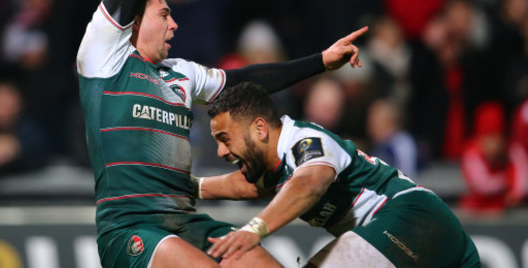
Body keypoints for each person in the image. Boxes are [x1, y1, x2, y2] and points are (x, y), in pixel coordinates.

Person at [76, 0, 368, 268]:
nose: (174, 24)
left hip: (184, 219)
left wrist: (320, 61)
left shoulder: (179, 74)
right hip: (132, 227)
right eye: (164, 14)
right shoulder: (104, 56)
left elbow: (246, 79)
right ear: (132, 20)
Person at [202, 82, 480, 268]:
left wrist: (254, 229)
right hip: (420, 233)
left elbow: (310, 183)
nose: (220, 152)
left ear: (259, 129)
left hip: (410, 219)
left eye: (225, 139)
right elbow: (243, 187)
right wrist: (185, 185)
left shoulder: (304, 141)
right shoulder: (277, 164)